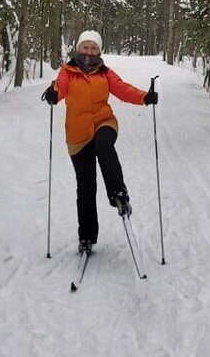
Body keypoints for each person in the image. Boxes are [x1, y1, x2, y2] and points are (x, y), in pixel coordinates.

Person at [42, 31, 158, 254]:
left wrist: (144, 97)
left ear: (99, 51)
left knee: (104, 145)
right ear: (78, 49)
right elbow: (60, 89)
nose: (89, 52)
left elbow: (123, 90)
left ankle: (119, 195)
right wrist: (53, 94)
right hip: (78, 135)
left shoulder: (105, 73)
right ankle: (86, 237)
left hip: (104, 123)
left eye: (93, 48)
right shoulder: (67, 72)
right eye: (85, 47)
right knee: (86, 187)